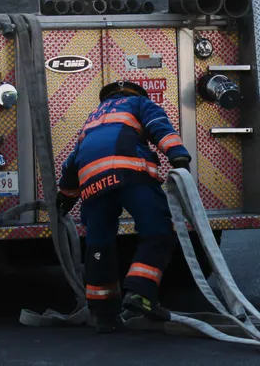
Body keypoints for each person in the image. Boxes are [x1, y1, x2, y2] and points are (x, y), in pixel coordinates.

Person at [56, 81, 192, 333]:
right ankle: (140, 292)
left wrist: (66, 196)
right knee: (157, 232)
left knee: (99, 246)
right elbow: (157, 126)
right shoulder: (138, 103)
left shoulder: (92, 120)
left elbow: (73, 160)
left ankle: (102, 313)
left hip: (93, 183)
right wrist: (177, 154)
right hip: (130, 173)